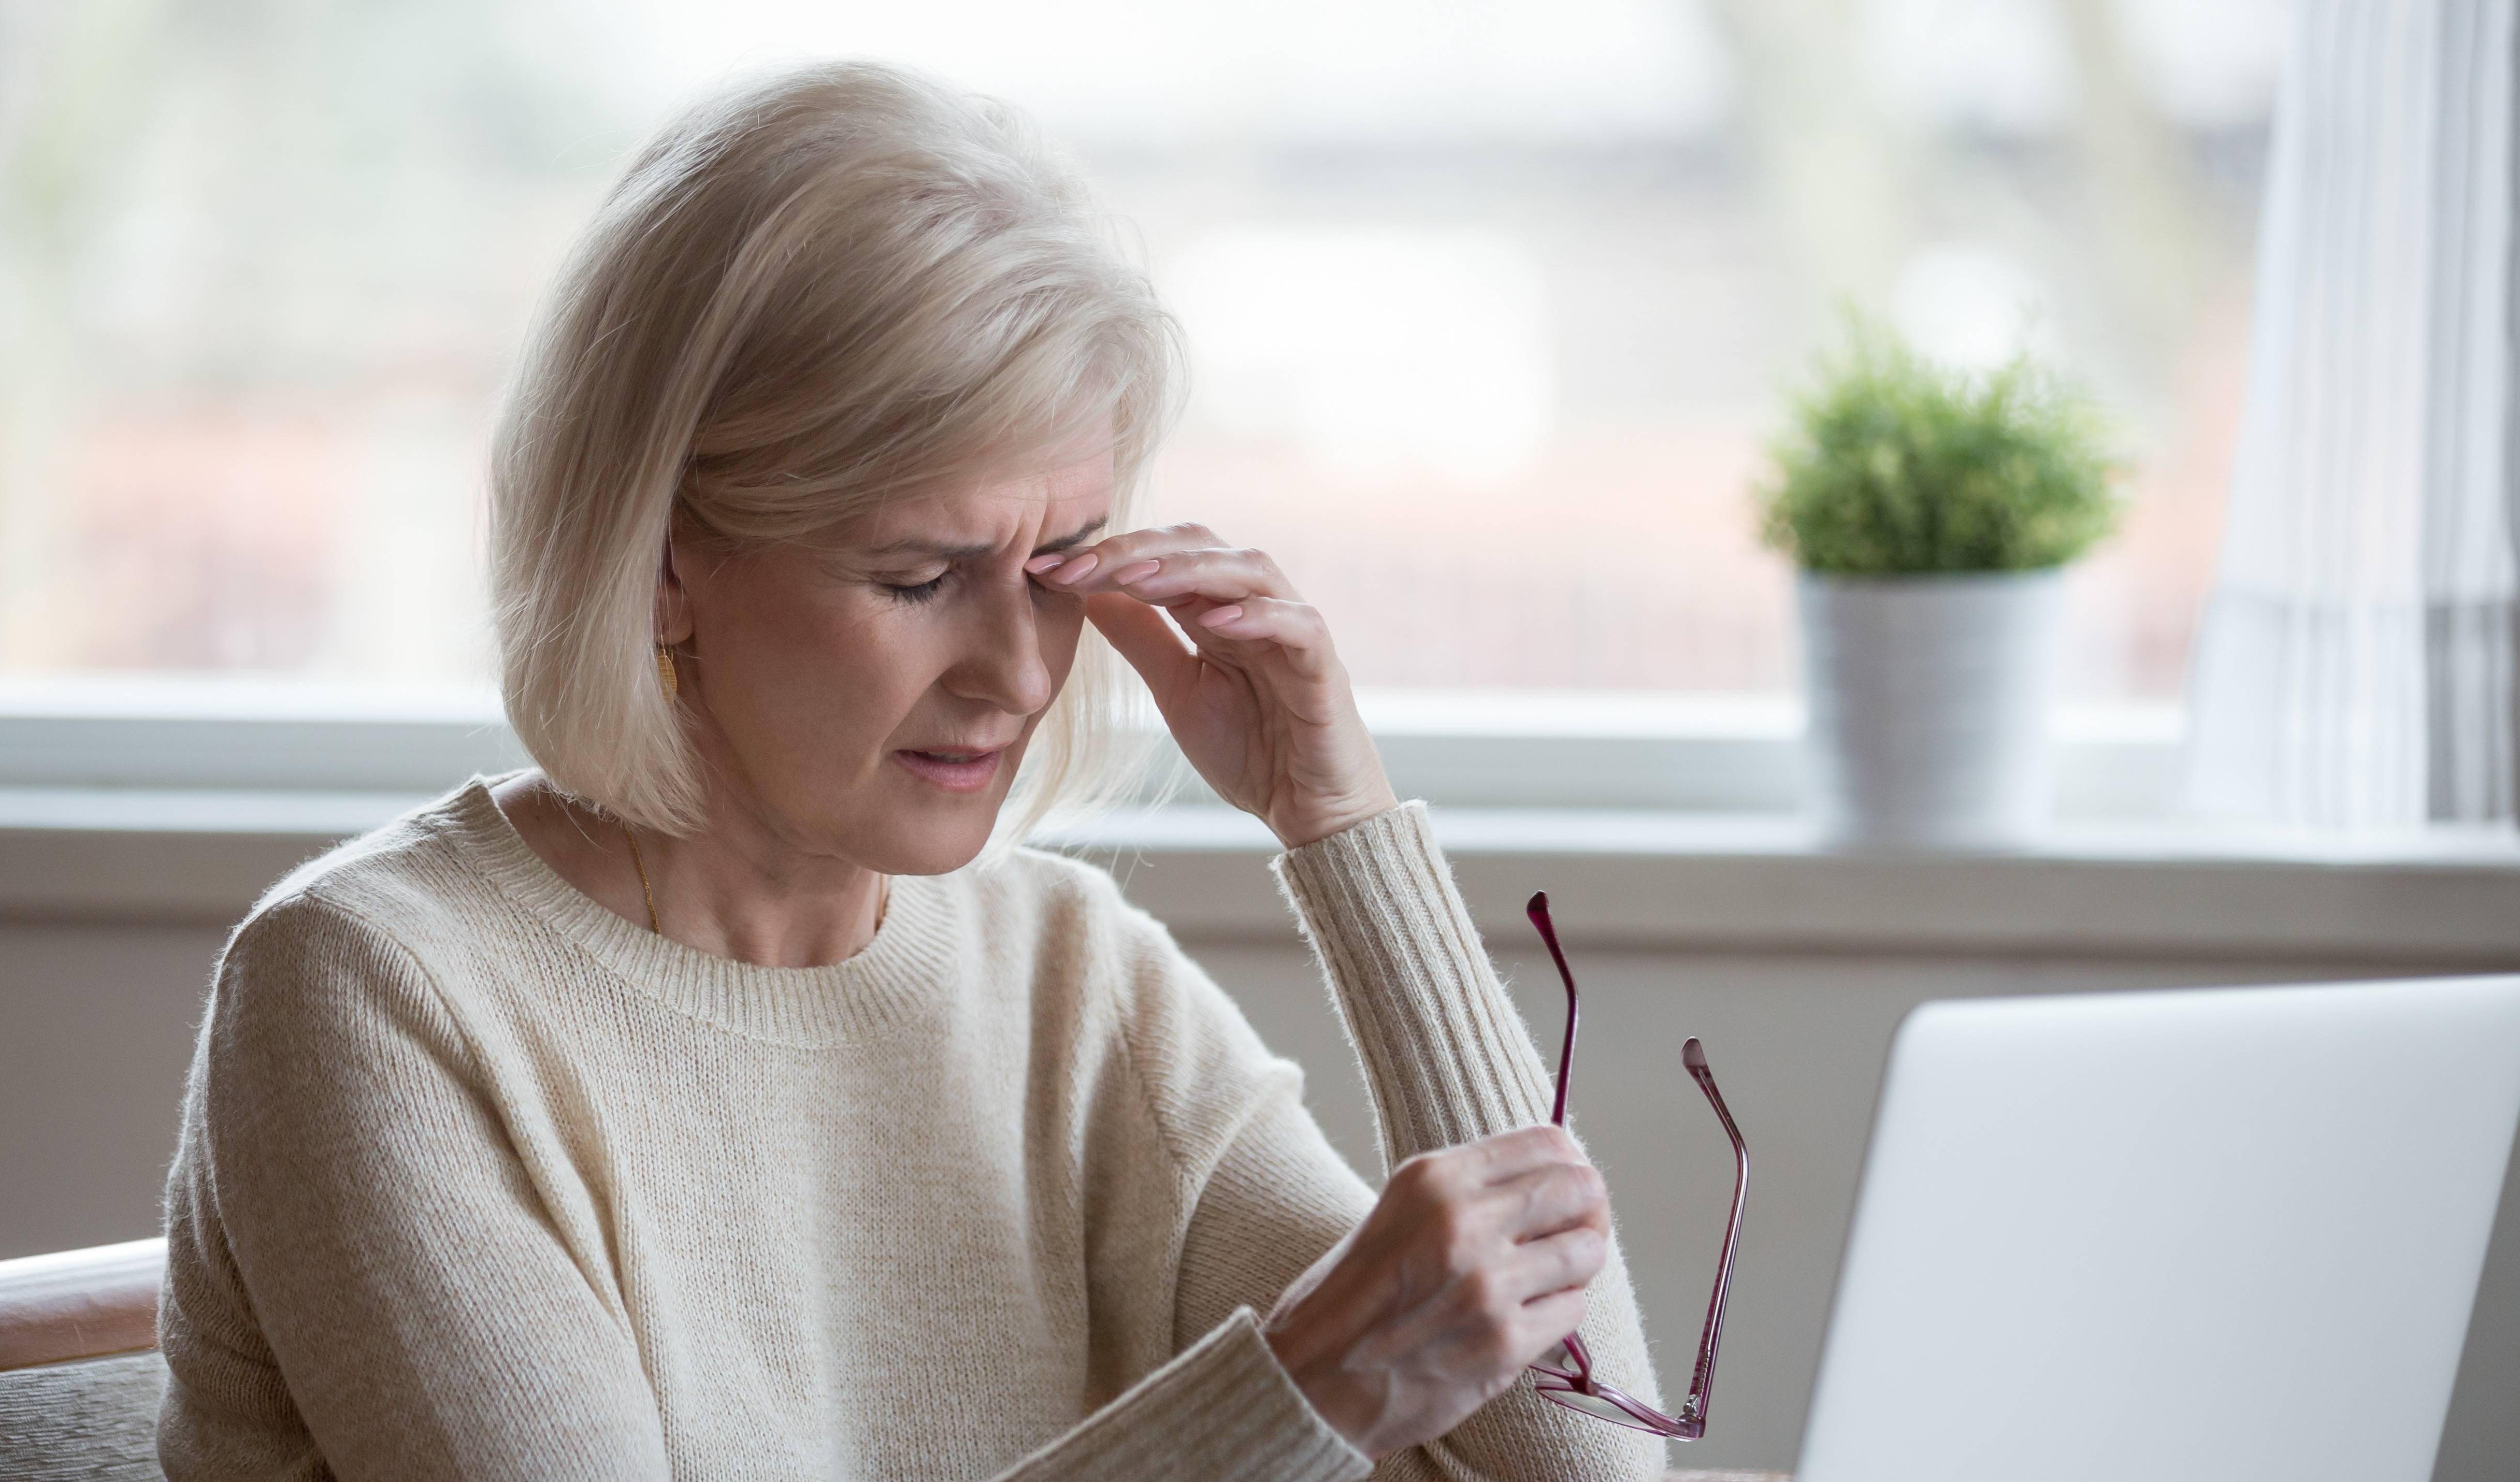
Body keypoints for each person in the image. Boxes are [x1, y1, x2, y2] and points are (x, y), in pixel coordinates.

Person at [153, 56, 1667, 1481]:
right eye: (919, 576)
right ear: (662, 561)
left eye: (1059, 567)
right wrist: (1299, 1400)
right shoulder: (373, 995)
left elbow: (1586, 1459)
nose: (1020, 674)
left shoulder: (1066, 978)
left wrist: (1344, 828)